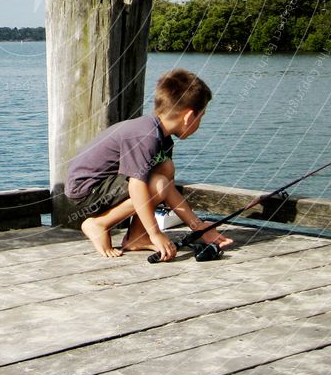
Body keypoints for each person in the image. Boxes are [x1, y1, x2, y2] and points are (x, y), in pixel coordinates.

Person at [65, 68, 234, 261]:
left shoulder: (161, 137)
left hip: (107, 184)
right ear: (188, 117)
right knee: (158, 182)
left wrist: (198, 227)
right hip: (87, 190)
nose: (200, 124)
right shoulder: (145, 135)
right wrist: (156, 233)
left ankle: (137, 237)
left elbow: (167, 189)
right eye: (201, 116)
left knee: (165, 169)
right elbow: (138, 186)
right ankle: (98, 224)